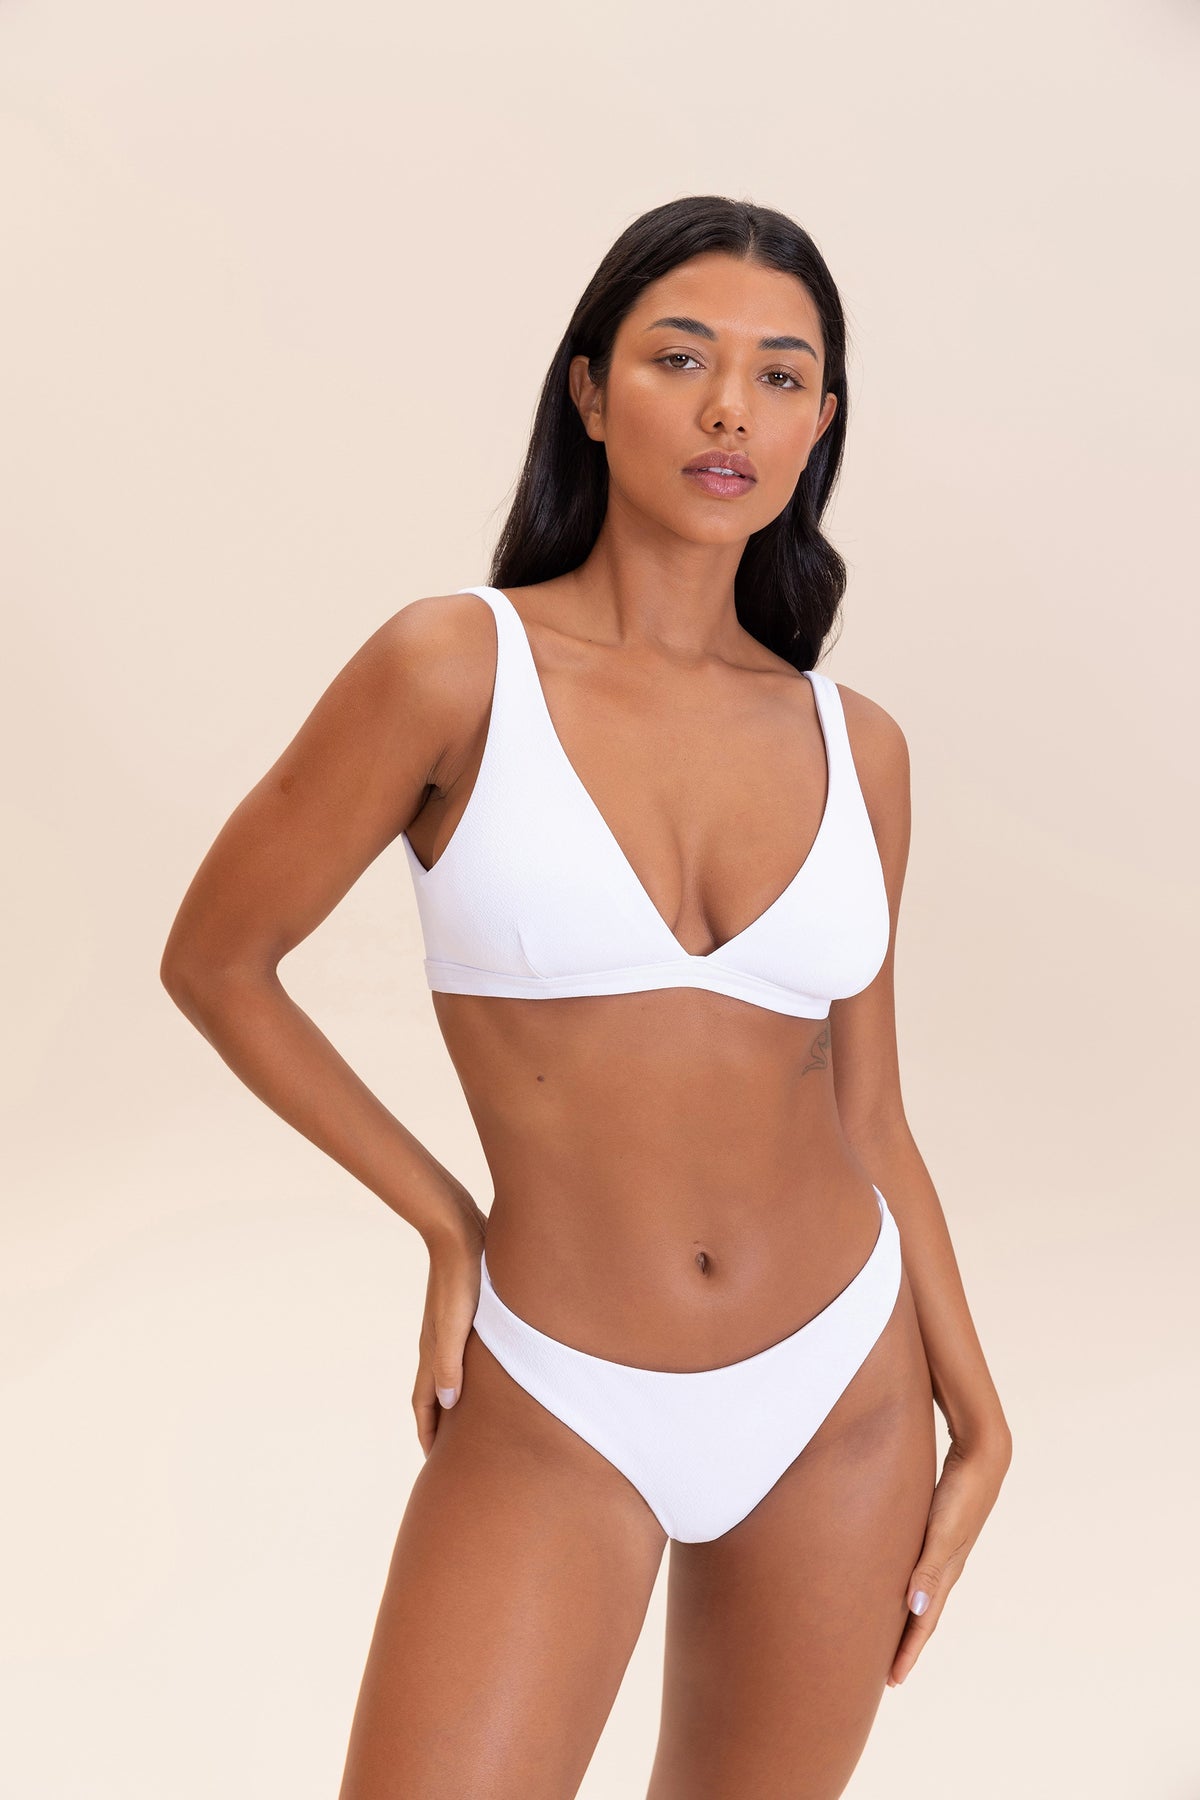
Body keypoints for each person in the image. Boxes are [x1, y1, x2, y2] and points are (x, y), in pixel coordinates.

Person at [160, 194, 1012, 1799]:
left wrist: (980, 1406)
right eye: (681, 359)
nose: (728, 409)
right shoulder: (452, 667)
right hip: (558, 1387)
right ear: (589, 391)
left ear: (821, 423)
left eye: (779, 376)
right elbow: (216, 961)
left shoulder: (860, 748)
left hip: (841, 1388)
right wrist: (445, 1221)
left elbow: (870, 1112)